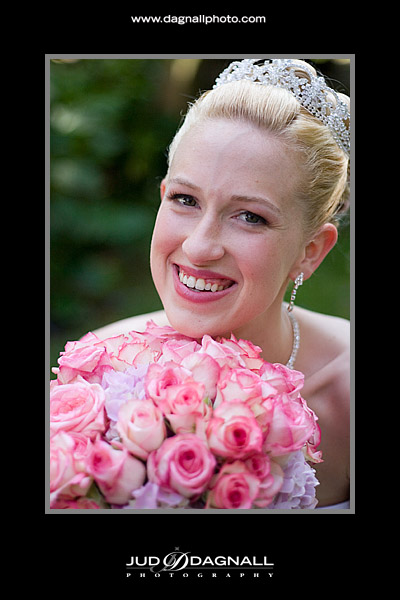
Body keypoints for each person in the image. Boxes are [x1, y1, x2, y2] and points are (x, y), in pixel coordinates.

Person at [93, 59, 351, 509]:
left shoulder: (345, 391)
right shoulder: (93, 372)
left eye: (250, 216)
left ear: (311, 250)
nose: (198, 247)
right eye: (185, 199)